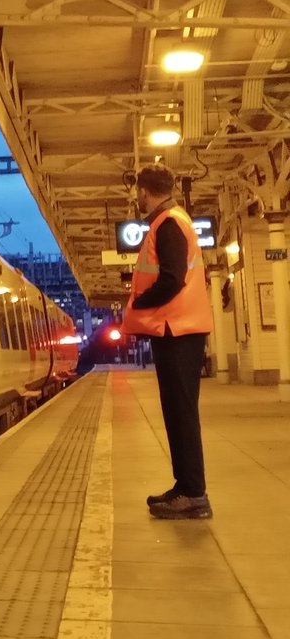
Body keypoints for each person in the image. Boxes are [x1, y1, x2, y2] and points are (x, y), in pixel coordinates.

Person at [121, 165, 213, 518]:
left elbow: (172, 279)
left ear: (144, 191)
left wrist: (138, 303)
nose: (137, 198)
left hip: (178, 331)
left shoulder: (170, 224)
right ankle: (184, 486)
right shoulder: (171, 221)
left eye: (137, 192)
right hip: (177, 330)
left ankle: (194, 494)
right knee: (177, 412)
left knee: (181, 413)